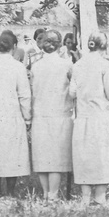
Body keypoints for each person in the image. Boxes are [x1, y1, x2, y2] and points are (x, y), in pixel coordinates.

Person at [69, 32, 109, 206]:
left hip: (83, 118)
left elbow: (71, 93)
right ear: (105, 46)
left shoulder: (78, 65)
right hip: (101, 117)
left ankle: (85, 196)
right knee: (102, 156)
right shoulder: (106, 66)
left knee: (85, 156)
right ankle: (100, 196)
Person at [0, 30, 32, 197]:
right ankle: (9, 191)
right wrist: (27, 116)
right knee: (12, 151)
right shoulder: (18, 67)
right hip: (12, 115)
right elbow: (24, 94)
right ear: (14, 47)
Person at [29, 30, 75, 200]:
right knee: (56, 155)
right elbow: (73, 90)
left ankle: (46, 192)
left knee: (43, 154)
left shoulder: (36, 65)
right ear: (60, 44)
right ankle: (53, 194)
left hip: (40, 113)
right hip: (60, 114)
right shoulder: (66, 65)